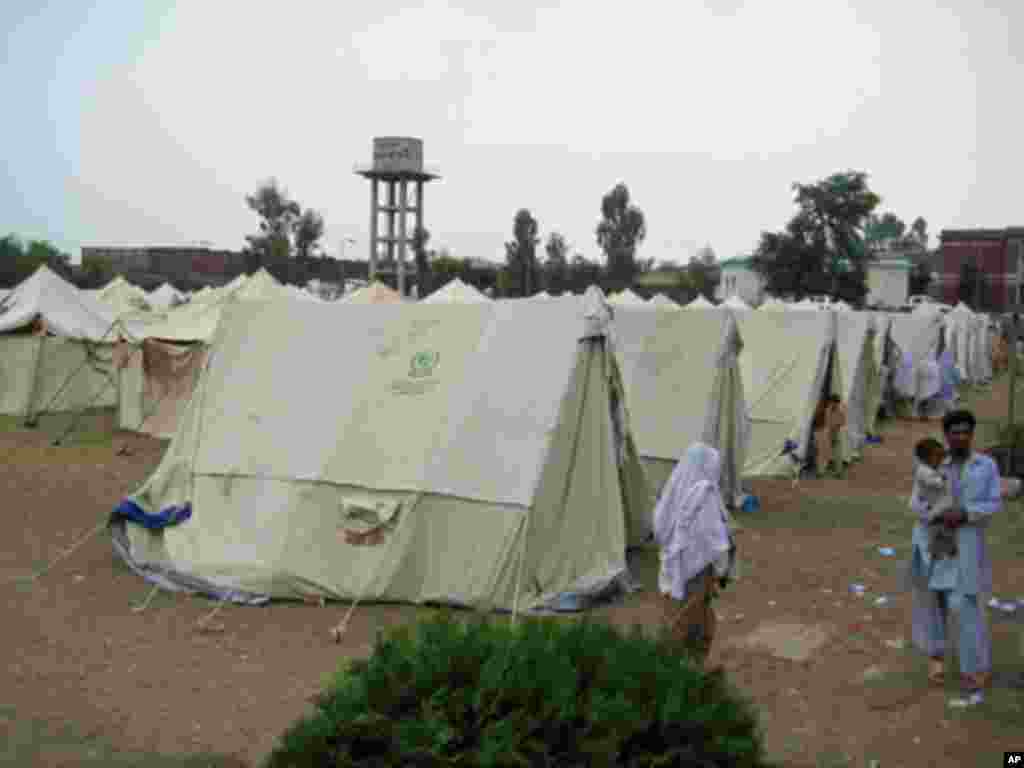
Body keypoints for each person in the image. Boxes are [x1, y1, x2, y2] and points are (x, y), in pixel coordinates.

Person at [907, 409, 1000, 703]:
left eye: (965, 431)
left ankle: (974, 667)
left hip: (968, 543)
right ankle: (936, 657)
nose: (960, 436)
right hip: (936, 543)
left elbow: (993, 504)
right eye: (954, 431)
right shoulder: (932, 464)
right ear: (945, 435)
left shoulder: (986, 465)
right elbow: (915, 502)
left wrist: (967, 514)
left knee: (968, 603)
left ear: (972, 434)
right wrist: (936, 515)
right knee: (936, 601)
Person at [653, 442, 736, 664]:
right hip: (699, 571)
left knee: (682, 616)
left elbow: (660, 526)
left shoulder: (675, 489)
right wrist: (721, 569)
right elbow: (714, 539)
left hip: (675, 569)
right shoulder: (704, 495)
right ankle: (684, 669)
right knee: (692, 623)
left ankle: (677, 664)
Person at [911, 438, 957, 560]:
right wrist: (944, 478)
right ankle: (938, 551)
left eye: (942, 456)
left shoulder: (933, 467)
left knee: (942, 529)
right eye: (937, 456)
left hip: (934, 506)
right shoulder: (923, 471)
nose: (941, 459)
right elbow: (935, 482)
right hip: (928, 509)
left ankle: (944, 549)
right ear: (925, 458)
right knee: (937, 529)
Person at [813, 394, 847, 477]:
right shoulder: (827, 410)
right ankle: (820, 471)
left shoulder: (841, 411)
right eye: (833, 402)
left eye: (836, 402)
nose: (835, 404)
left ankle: (839, 472)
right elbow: (825, 422)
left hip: (837, 432)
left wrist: (835, 434)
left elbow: (841, 424)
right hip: (827, 432)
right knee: (823, 452)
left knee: (837, 454)